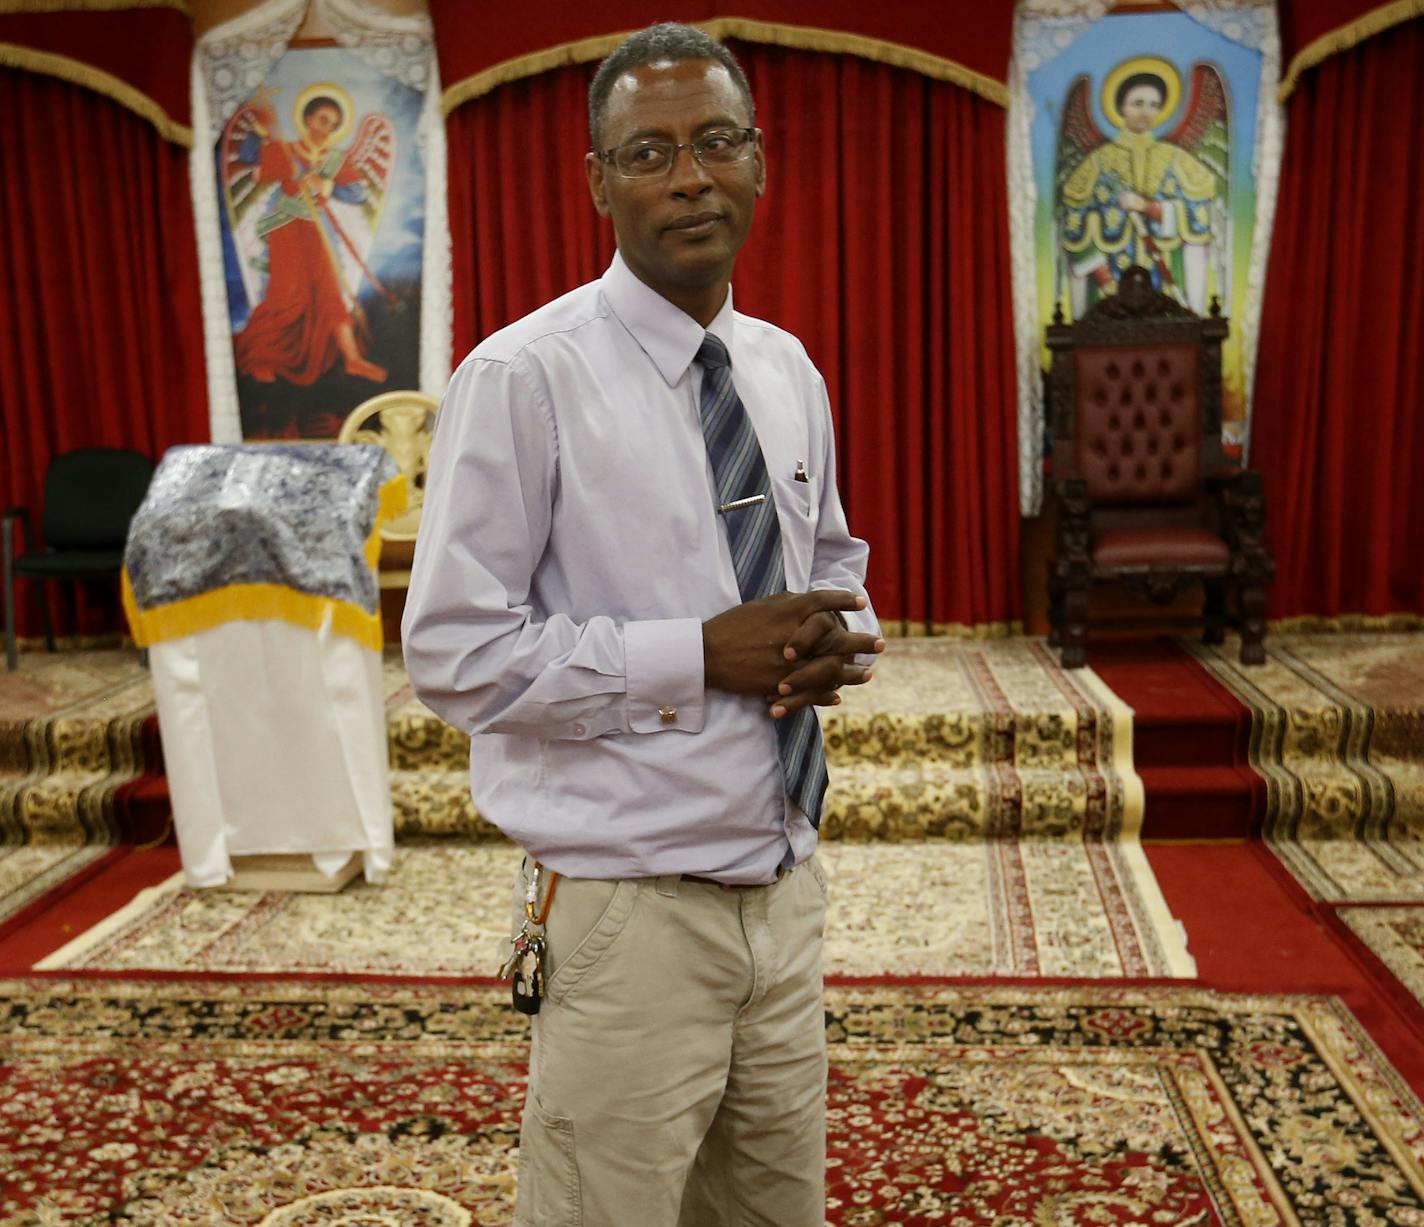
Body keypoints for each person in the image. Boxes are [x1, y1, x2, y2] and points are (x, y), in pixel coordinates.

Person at [403, 22, 882, 1227]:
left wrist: (839, 633)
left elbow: (825, 560)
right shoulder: (523, 380)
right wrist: (695, 653)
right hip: (627, 916)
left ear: (759, 162)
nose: (689, 177)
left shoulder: (782, 368)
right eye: (649, 151)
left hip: (782, 890)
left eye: (717, 141)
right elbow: (454, 654)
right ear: (598, 181)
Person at [232, 94, 388, 387]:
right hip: (286, 229)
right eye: (322, 120)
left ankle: (352, 359)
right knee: (288, 294)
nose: (326, 128)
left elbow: (356, 193)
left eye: (332, 124)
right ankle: (263, 358)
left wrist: (326, 184)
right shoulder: (286, 150)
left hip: (317, 230)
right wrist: (261, 133)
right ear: (307, 120)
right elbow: (252, 164)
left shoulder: (334, 160)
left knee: (329, 289)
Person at [1059, 69, 1219, 317]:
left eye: (1154, 105)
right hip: (1110, 293)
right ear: (1120, 107)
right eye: (1138, 103)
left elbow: (1197, 217)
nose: (1146, 112)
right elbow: (1074, 228)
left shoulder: (1176, 159)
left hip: (1164, 288)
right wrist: (1107, 282)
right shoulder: (1097, 163)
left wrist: (1149, 208)